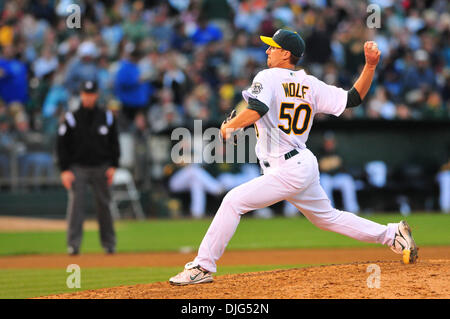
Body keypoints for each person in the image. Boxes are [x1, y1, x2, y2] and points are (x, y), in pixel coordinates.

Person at [169, 29, 418, 285]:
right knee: (327, 217)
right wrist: (370, 66)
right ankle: (392, 234)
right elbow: (353, 99)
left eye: (273, 47)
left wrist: (228, 127)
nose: (268, 50)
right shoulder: (310, 83)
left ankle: (202, 266)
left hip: (286, 167)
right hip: (301, 162)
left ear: (286, 53)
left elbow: (257, 109)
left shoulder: (267, 76)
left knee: (233, 201)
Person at [56, 80, 120, 256]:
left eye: (91, 94)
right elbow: (62, 145)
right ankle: (73, 245)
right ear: (81, 95)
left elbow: (115, 143)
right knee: (76, 207)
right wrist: (65, 170)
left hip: (102, 166)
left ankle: (109, 243)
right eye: (86, 94)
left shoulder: (107, 116)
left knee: (104, 205)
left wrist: (114, 165)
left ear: (96, 95)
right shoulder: (71, 117)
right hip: (78, 167)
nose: (89, 97)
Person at [318, 132, 360, 214]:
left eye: (331, 142)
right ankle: (329, 210)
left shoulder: (339, 153)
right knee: (324, 181)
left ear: (334, 143)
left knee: (347, 180)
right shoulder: (319, 153)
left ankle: (353, 209)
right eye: (327, 142)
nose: (329, 144)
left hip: (337, 177)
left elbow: (344, 168)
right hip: (326, 177)